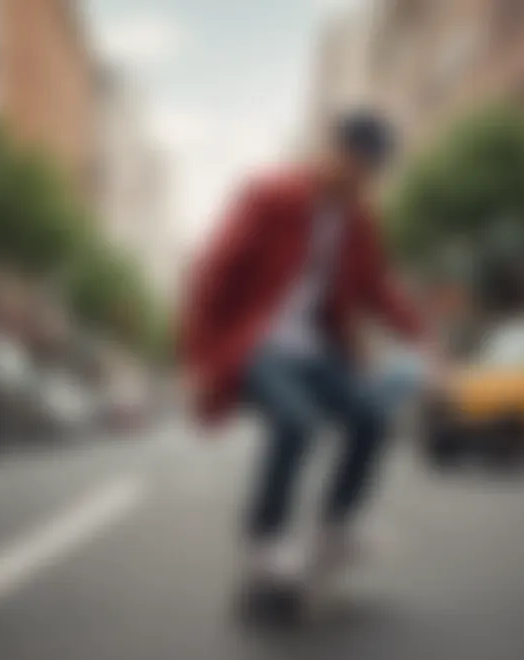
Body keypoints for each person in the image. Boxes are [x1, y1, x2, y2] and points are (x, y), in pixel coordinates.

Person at [181, 110, 436, 606]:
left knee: (373, 418)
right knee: (295, 424)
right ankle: (266, 541)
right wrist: (196, 359)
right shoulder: (271, 196)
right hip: (255, 344)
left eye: (368, 169)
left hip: (317, 349)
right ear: (330, 150)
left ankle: (337, 525)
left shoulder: (359, 221)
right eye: (350, 161)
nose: (356, 176)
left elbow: (376, 289)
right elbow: (212, 274)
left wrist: (423, 338)